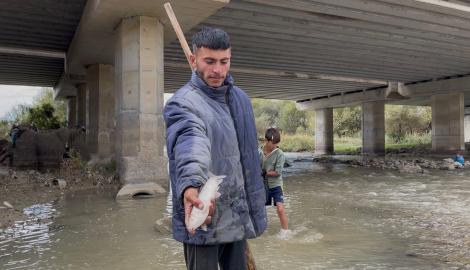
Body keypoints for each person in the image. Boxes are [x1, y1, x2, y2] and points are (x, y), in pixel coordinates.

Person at [163, 27, 267, 270]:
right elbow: (191, 142)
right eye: (209, 61)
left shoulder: (241, 100)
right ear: (193, 60)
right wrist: (190, 184)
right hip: (203, 218)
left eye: (224, 61)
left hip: (238, 213)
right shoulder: (182, 103)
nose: (218, 70)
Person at [259, 128, 289, 232]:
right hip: (263, 185)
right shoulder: (259, 152)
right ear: (266, 140)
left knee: (280, 209)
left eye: (277, 143)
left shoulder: (279, 154)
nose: (275, 146)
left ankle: (286, 232)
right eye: (273, 143)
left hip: (276, 185)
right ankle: (260, 231)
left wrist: (264, 173)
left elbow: (277, 173)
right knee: (260, 210)